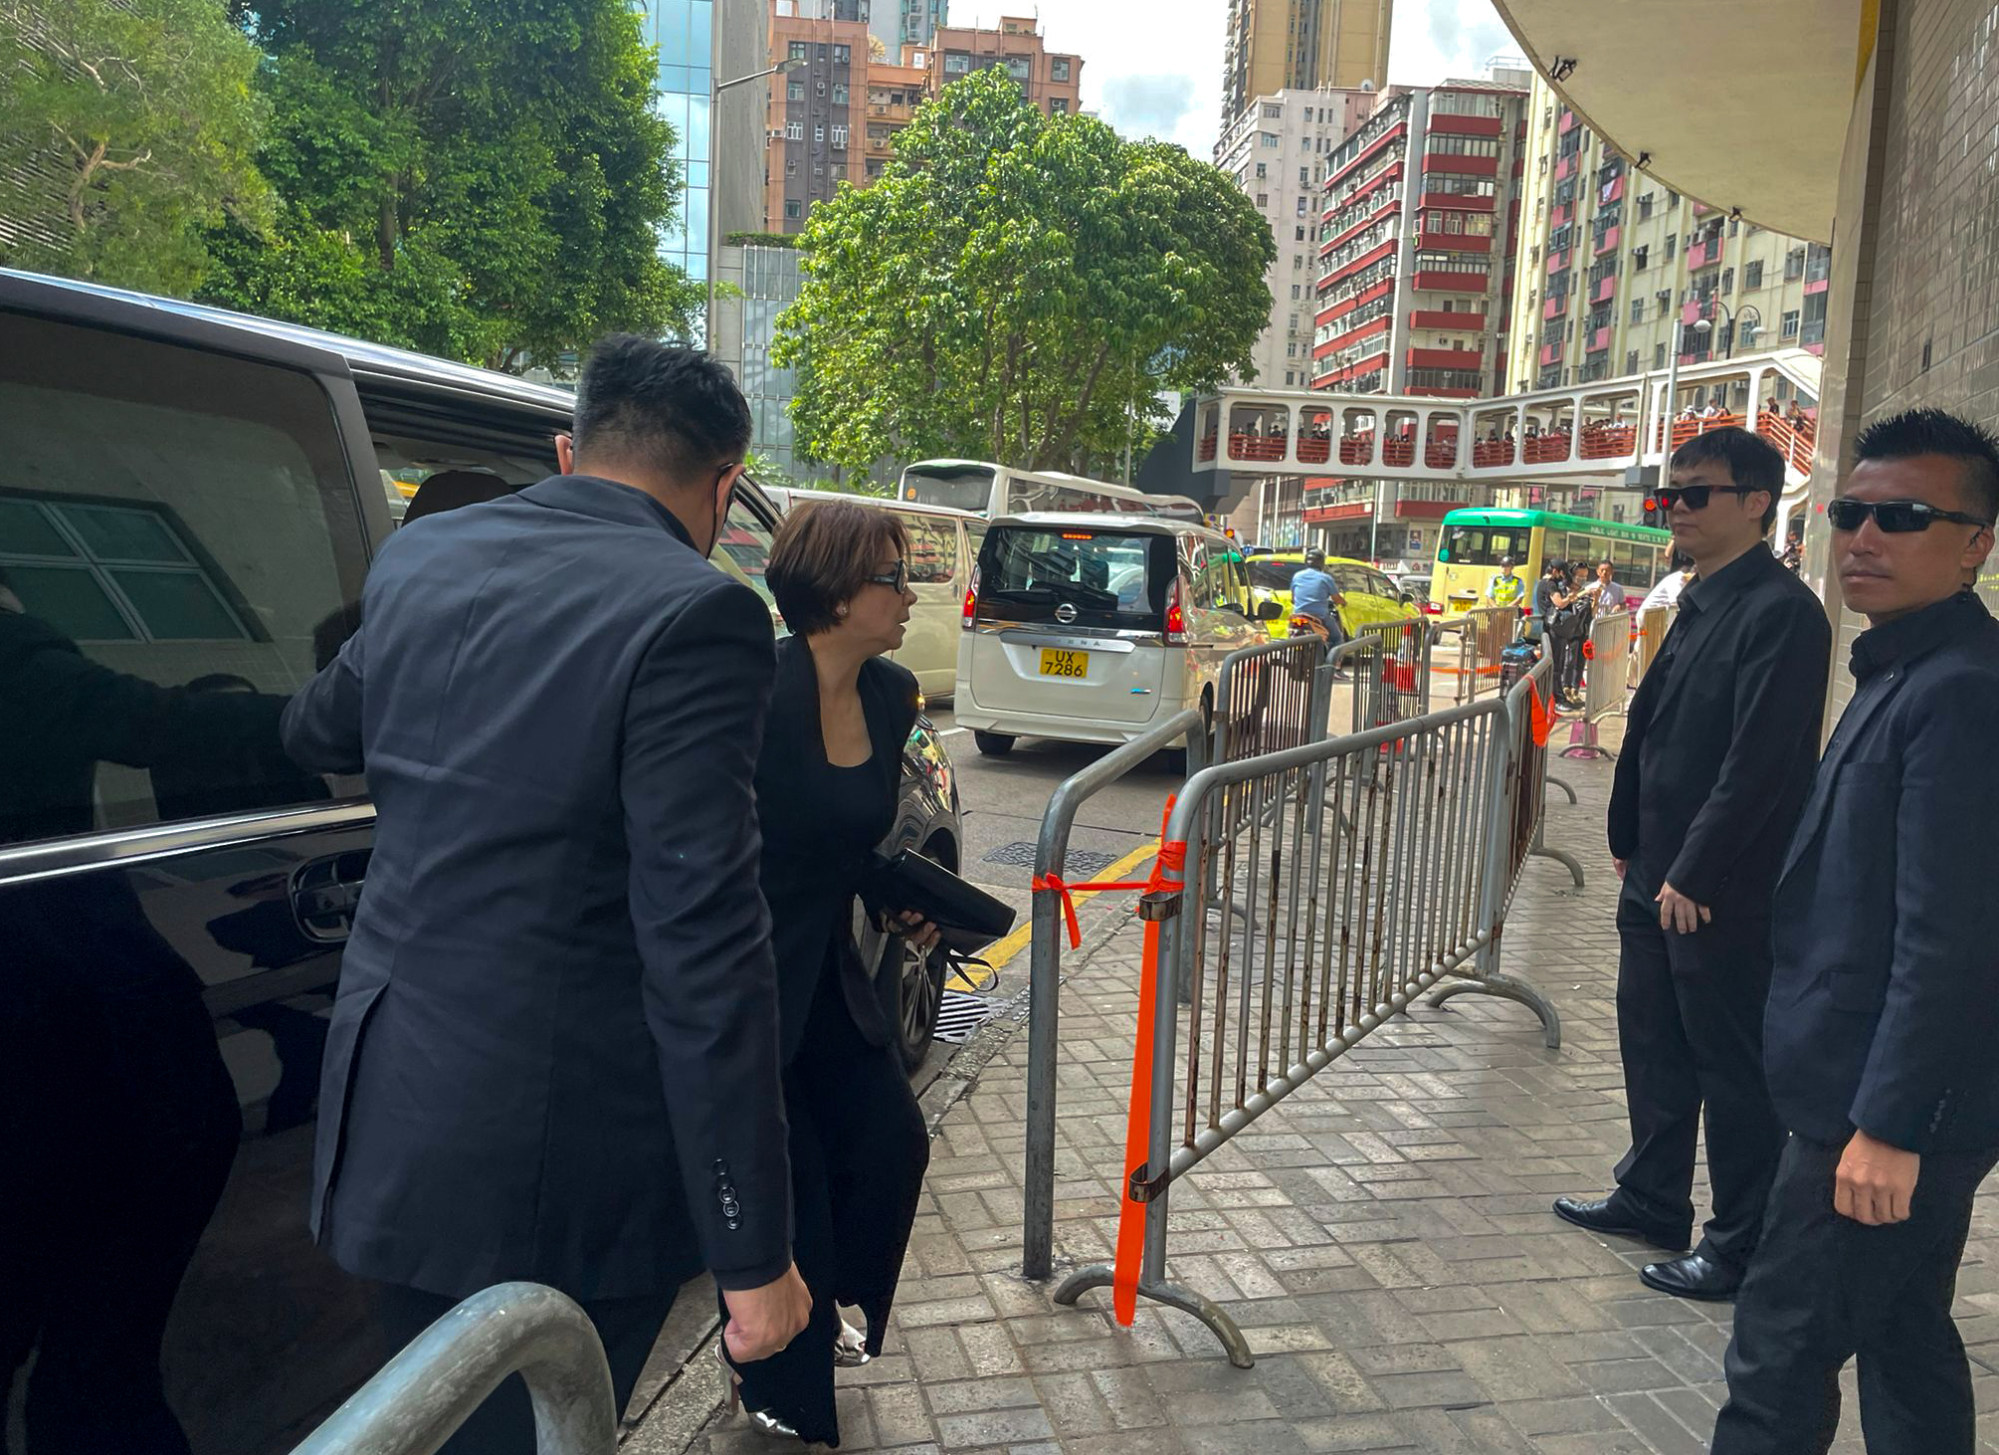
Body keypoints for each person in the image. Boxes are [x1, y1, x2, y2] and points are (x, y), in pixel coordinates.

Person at [279, 337, 811, 1454]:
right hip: (558, 1162)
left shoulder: (425, 559)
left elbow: (317, 728)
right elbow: (704, 947)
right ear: (724, 483)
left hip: (394, 1115)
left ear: (570, 449)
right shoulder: (697, 616)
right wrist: (752, 1252)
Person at [1711, 410, 1999, 1454]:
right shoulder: (1905, 666)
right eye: (1849, 513)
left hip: (1876, 1110)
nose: (1864, 538)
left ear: (1975, 543)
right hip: (1873, 1091)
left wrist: (1889, 1127)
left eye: (1903, 516)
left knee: (1777, 1356)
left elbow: (1954, 939)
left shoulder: (1962, 693)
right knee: (1902, 1331)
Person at [1555, 427, 1832, 1302]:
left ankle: (1740, 1239)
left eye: (1695, 493)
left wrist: (1697, 873)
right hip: (1656, 869)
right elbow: (1651, 724)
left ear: (1756, 501)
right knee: (1651, 1041)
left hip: (1717, 887)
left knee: (1730, 1065)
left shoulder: (1782, 613)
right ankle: (1650, 1194)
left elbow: (1762, 761)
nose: (1674, 507)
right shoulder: (1698, 594)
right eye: (1667, 494)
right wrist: (1628, 829)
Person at [717, 502, 937, 1443]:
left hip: (829, 974)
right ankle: (780, 1399)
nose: (909, 593)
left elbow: (845, 841)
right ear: (838, 591)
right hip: (745, 983)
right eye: (893, 576)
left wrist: (904, 897)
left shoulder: (890, 696)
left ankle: (816, 1305)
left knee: (892, 1141)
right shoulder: (751, 695)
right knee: (793, 1192)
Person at [1288, 550, 1346, 650]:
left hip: (1297, 615)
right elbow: (1336, 599)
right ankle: (1331, 664)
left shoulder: (1297, 576)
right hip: (1319, 617)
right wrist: (1344, 603)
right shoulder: (1326, 578)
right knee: (1338, 638)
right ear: (1321, 563)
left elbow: (1293, 599)